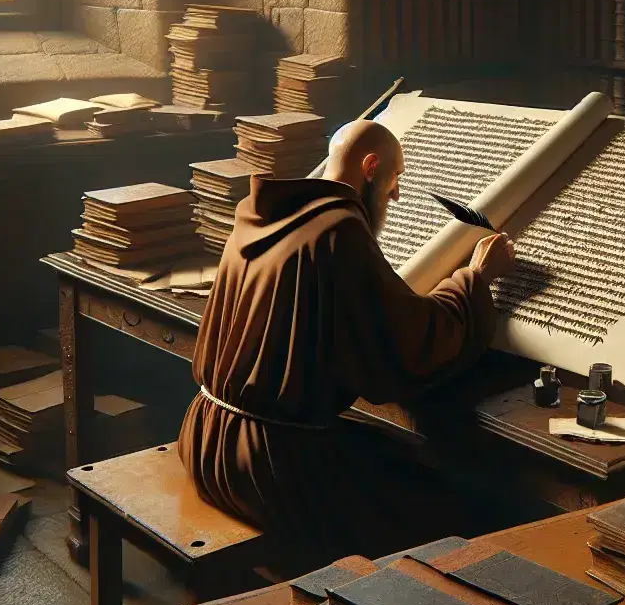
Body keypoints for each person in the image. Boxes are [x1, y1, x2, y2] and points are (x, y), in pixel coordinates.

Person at [177, 118, 516, 565]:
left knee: (389, 455)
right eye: (395, 178)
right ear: (371, 167)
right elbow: (407, 346)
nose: (395, 194)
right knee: (453, 511)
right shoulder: (338, 231)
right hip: (266, 468)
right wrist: (474, 279)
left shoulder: (263, 211)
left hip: (203, 438)